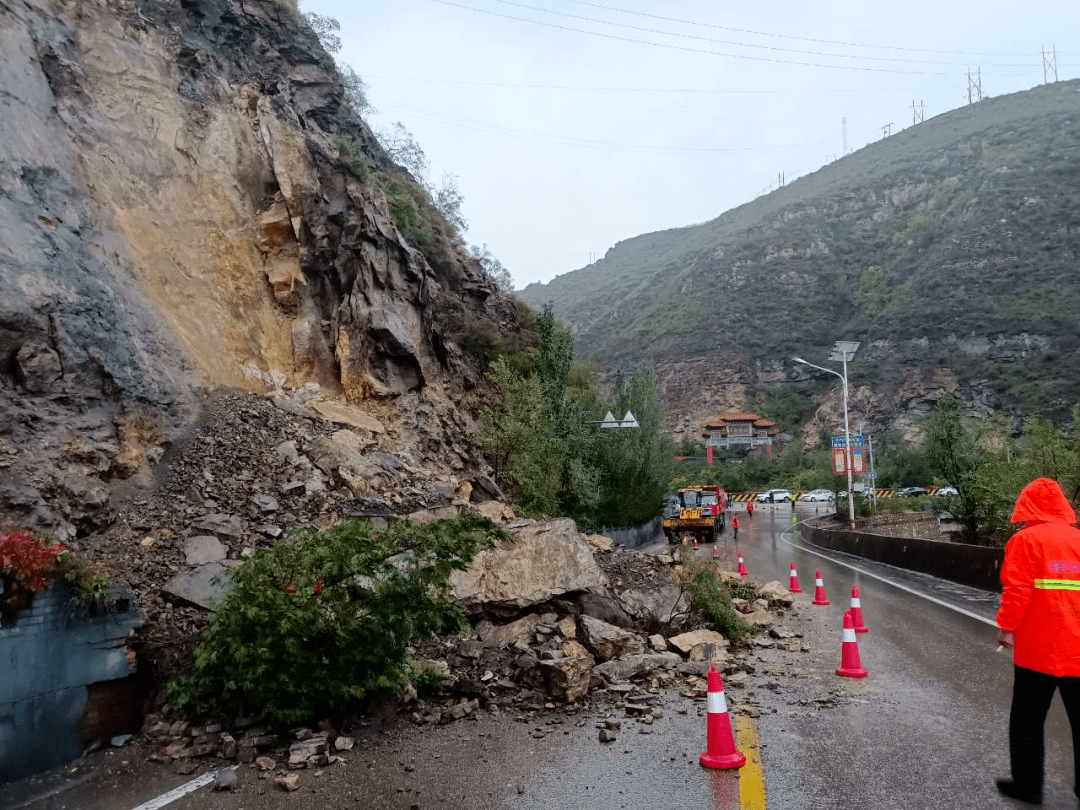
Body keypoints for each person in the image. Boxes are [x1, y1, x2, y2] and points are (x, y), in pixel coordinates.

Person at [996, 477, 1080, 805]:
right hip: (1077, 650)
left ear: (1027, 504)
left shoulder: (1025, 540)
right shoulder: (1077, 539)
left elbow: (1017, 591)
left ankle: (1028, 787)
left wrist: (1006, 627)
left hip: (1038, 652)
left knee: (1028, 720)